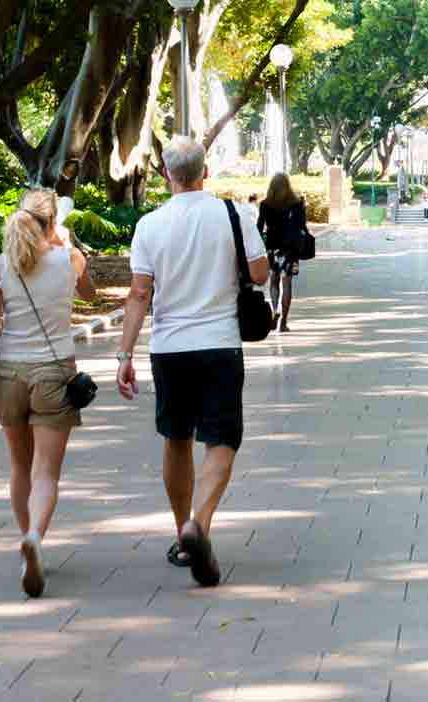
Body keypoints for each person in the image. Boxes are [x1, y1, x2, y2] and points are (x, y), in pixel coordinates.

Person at [115, 136, 270, 588]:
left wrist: (125, 354)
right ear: (206, 171)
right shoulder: (233, 214)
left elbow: (139, 293)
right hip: (220, 343)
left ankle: (181, 529)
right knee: (221, 439)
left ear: (166, 175)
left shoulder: (149, 225)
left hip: (168, 348)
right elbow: (260, 273)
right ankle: (199, 524)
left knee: (176, 436)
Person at [0, 188, 97, 598]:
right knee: (46, 470)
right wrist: (66, 246)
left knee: (19, 466)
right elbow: (90, 295)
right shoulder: (70, 260)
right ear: (52, 223)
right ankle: (35, 536)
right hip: (55, 371)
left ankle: (24, 540)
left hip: (9, 373)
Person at [257, 173, 309, 332]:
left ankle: (275, 310)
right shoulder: (296, 203)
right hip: (291, 248)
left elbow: (259, 226)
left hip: (273, 247)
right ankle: (284, 322)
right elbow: (302, 225)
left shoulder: (265, 204)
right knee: (287, 284)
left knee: (273, 280)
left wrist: (259, 244)